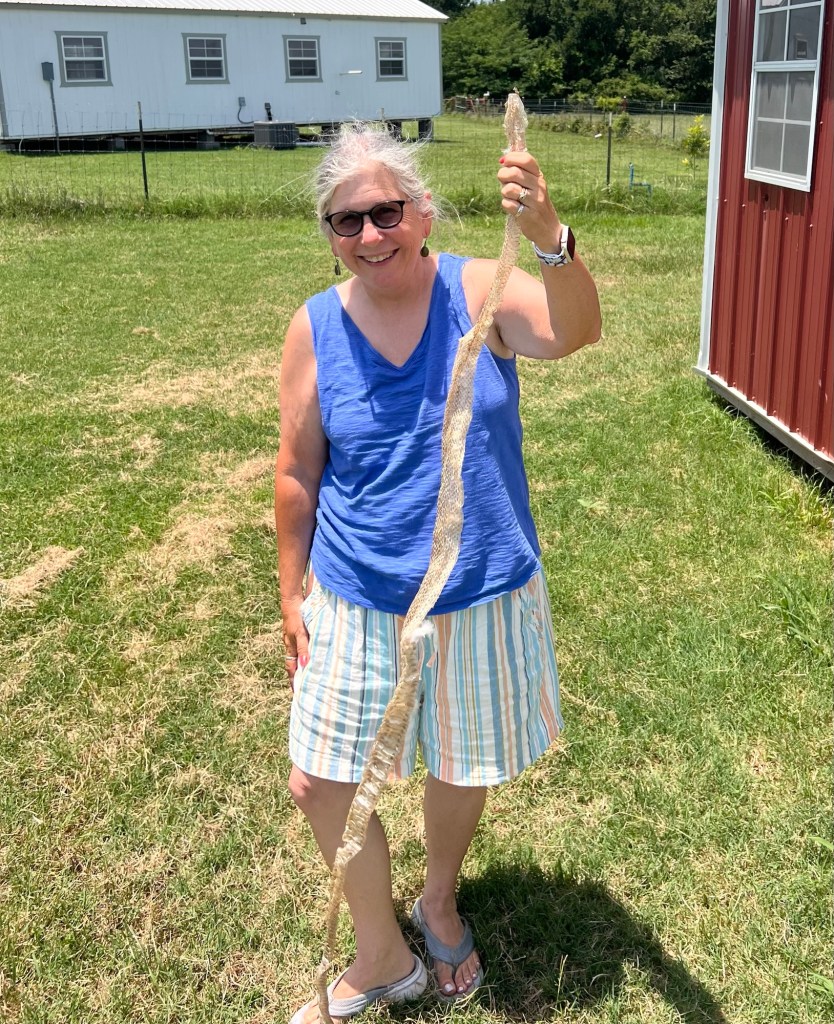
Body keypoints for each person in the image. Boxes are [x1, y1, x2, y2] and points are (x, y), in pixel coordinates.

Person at [276, 123, 601, 1024]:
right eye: (347, 221)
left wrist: (549, 236)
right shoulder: (314, 327)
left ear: (422, 213)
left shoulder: (479, 289)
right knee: (319, 780)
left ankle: (440, 901)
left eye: (386, 212)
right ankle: (382, 955)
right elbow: (297, 472)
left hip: (479, 589)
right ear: (330, 235)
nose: (370, 234)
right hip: (355, 591)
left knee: (461, 764)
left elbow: (576, 331)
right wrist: (290, 592)